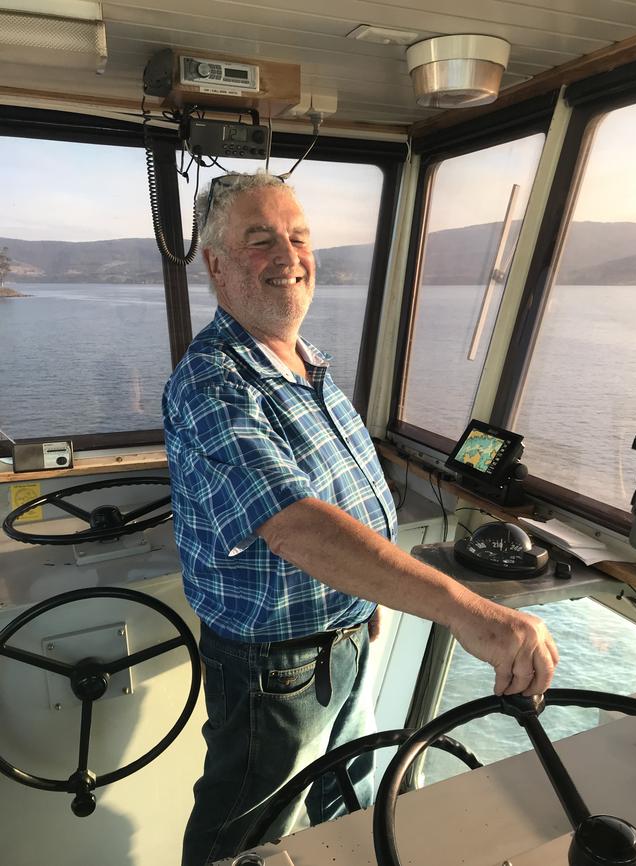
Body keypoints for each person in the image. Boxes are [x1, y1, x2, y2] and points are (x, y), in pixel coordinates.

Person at [162, 172, 559, 866]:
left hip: (344, 637)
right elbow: (295, 525)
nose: (289, 257)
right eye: (261, 241)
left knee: (353, 807)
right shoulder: (212, 381)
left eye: (298, 238)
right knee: (245, 840)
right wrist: (470, 613)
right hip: (273, 670)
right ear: (217, 266)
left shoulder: (309, 365)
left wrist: (361, 598)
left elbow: (340, 510)